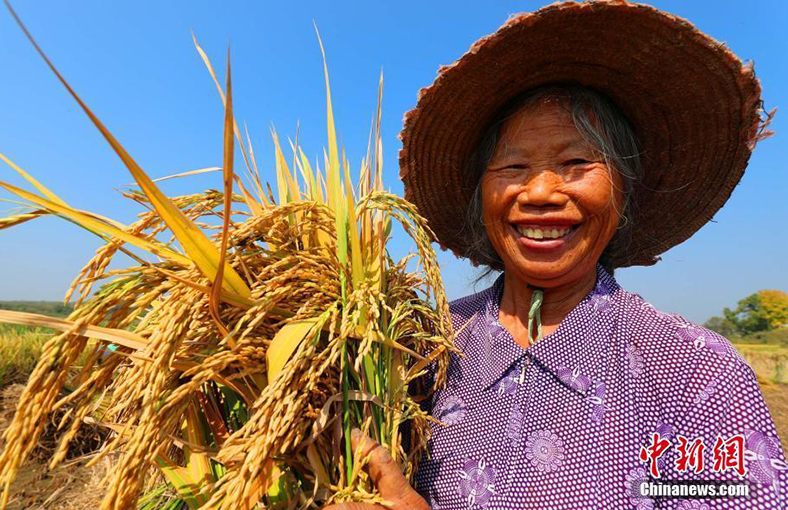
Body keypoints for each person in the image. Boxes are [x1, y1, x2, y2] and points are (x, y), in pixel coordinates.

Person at [328, 1, 785, 508]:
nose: (541, 191)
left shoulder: (692, 374)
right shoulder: (421, 349)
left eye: (575, 162)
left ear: (623, 191)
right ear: (481, 198)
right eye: (514, 166)